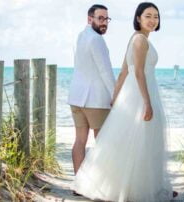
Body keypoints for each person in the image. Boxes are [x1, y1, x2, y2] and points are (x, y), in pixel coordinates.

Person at [72, 2, 175, 201]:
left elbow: (122, 73)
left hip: (130, 95)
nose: (153, 20)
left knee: (132, 144)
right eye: (148, 16)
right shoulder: (140, 41)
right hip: (139, 96)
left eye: (156, 16)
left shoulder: (135, 39)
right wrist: (147, 102)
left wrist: (115, 98)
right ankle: (131, 189)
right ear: (138, 18)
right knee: (137, 144)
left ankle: (142, 186)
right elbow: (136, 72)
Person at [67, 4, 115, 181]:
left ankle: (79, 184)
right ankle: (102, 183)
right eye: (100, 18)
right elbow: (105, 71)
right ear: (90, 19)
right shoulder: (96, 39)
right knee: (103, 143)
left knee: (80, 140)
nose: (104, 23)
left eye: (106, 19)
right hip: (95, 100)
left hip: (77, 98)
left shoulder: (82, 36)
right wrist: (116, 94)